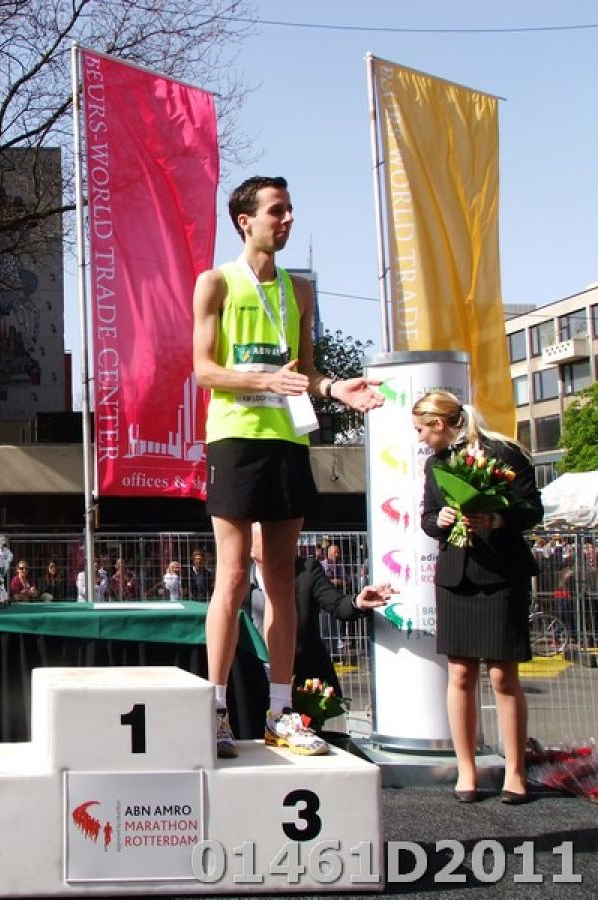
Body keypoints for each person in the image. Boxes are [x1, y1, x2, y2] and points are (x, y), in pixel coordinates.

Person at [191, 175, 384, 758]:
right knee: (231, 577)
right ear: (245, 220)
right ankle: (216, 713)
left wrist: (335, 388)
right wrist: (264, 381)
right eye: (277, 210)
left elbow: (307, 371)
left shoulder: (298, 290)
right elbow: (203, 369)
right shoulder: (216, 282)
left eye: (290, 209)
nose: (288, 219)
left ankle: (281, 713)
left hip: (288, 441)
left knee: (282, 579)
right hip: (236, 439)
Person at [413, 390, 543, 804]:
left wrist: (497, 518)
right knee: (461, 674)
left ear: (439, 423)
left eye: (421, 430)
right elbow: (426, 518)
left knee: (503, 675)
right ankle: (466, 771)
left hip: (502, 575)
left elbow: (532, 510)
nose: (420, 439)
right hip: (458, 576)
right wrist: (439, 519)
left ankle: (515, 773)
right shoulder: (436, 464)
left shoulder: (506, 452)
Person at [242, 523, 392, 694]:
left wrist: (357, 601)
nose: (276, 541)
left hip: (304, 679)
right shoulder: (239, 581)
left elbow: (336, 603)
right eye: (267, 536)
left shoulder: (307, 570)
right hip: (256, 680)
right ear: (250, 547)